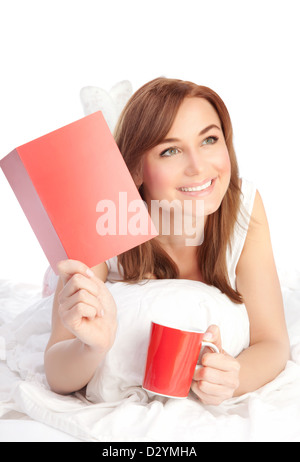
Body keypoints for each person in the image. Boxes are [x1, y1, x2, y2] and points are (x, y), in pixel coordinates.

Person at [44, 77, 290, 405]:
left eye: (209, 140)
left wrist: (233, 376)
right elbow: (56, 372)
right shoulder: (102, 216)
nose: (198, 167)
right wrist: (91, 347)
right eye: (170, 150)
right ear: (134, 171)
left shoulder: (244, 204)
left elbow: (272, 342)